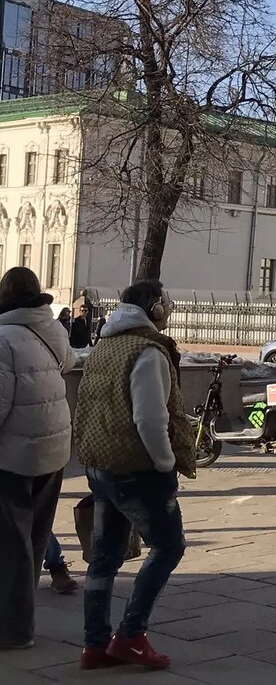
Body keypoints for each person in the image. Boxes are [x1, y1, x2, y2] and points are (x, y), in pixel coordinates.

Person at [74, 280, 194, 670]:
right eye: (168, 301)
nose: (170, 307)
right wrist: (164, 463)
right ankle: (130, 635)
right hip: (137, 471)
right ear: (155, 308)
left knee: (104, 557)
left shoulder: (104, 346)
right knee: (168, 546)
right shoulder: (148, 352)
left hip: (100, 465)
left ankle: (95, 645)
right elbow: (150, 418)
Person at [0, 267, 74, 649]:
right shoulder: (52, 328)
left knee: (12, 542)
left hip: (14, 454)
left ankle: (14, 629)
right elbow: (70, 363)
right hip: (55, 446)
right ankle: (21, 620)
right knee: (36, 536)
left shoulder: (3, 337)